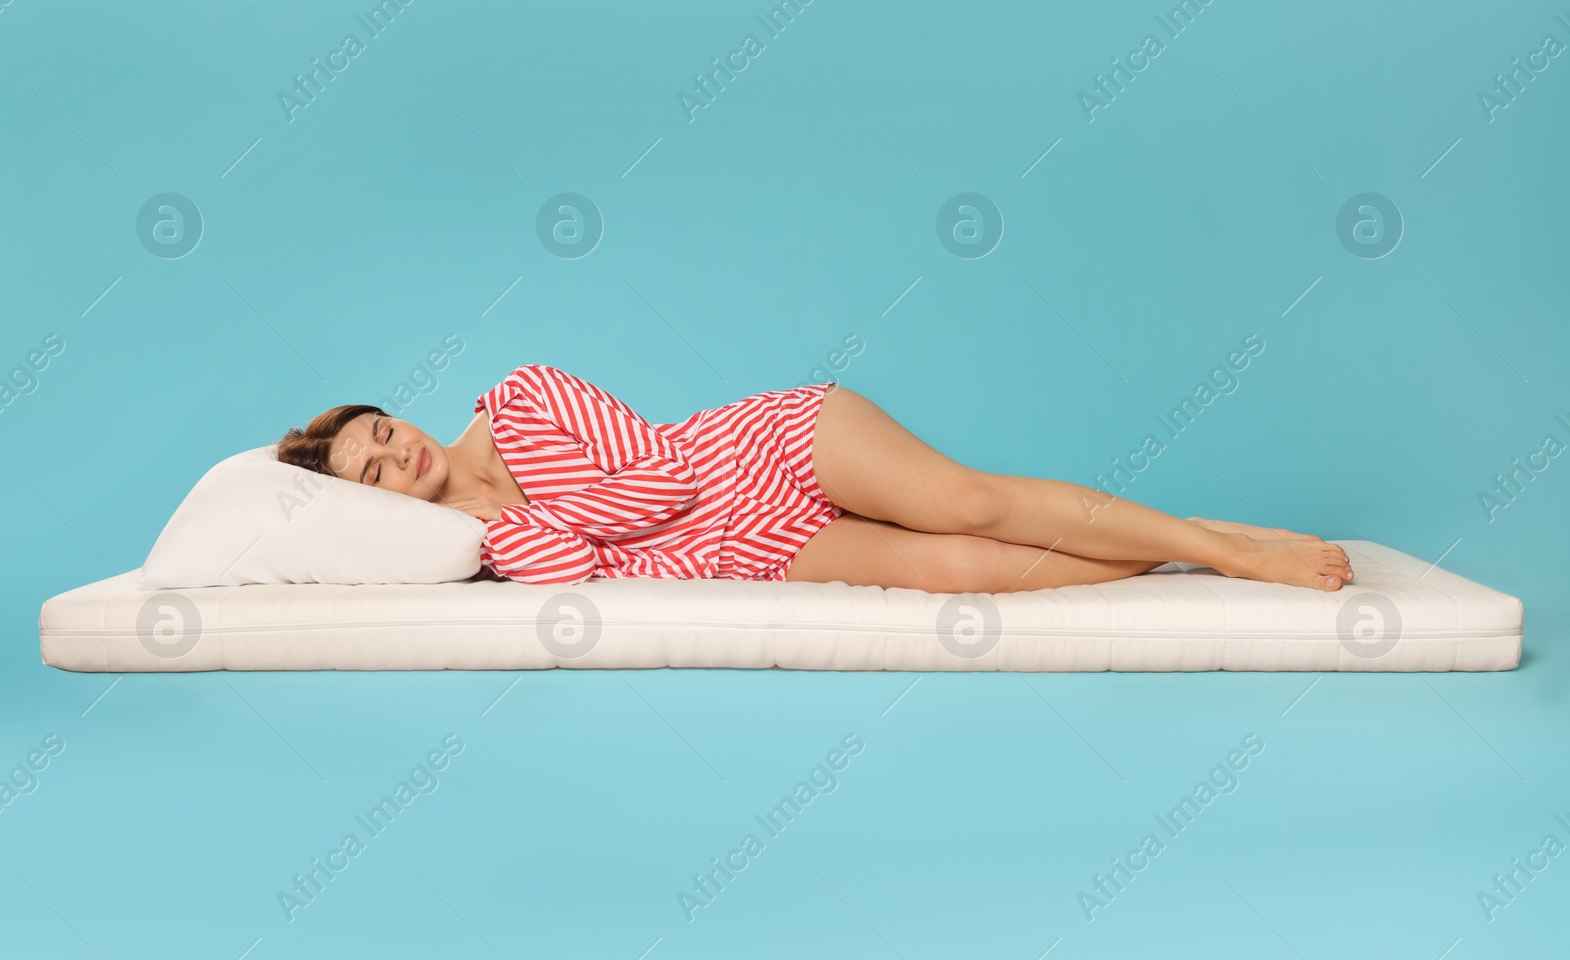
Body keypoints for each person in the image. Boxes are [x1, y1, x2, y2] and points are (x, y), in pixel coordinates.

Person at [275, 363, 1352, 592]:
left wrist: (545, 509)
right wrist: (509, 522)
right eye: (374, 469)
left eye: (381, 426)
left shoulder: (517, 395)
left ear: (394, 408)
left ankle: (1230, 546)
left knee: (966, 496)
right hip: (746, 549)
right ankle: (1169, 540)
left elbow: (655, 479)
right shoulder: (486, 549)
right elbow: (581, 579)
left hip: (761, 446)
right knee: (961, 567)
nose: (396, 449)